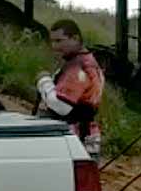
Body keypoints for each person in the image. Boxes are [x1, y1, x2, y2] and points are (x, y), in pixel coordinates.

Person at [36, 20, 105, 162]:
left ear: (75, 38)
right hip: (85, 135)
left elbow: (61, 106)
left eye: (59, 41)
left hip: (73, 139)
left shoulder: (78, 67)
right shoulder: (89, 61)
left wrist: (44, 82)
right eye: (53, 42)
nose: (55, 46)